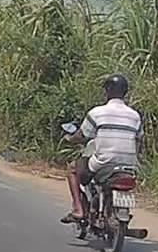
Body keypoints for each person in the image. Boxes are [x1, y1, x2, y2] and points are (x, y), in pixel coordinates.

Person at [61, 74, 142, 223]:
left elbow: (82, 135)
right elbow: (138, 139)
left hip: (104, 162)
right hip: (129, 165)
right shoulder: (135, 116)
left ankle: (78, 209)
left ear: (108, 90)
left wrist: (70, 139)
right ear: (125, 92)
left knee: (72, 169)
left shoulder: (97, 113)